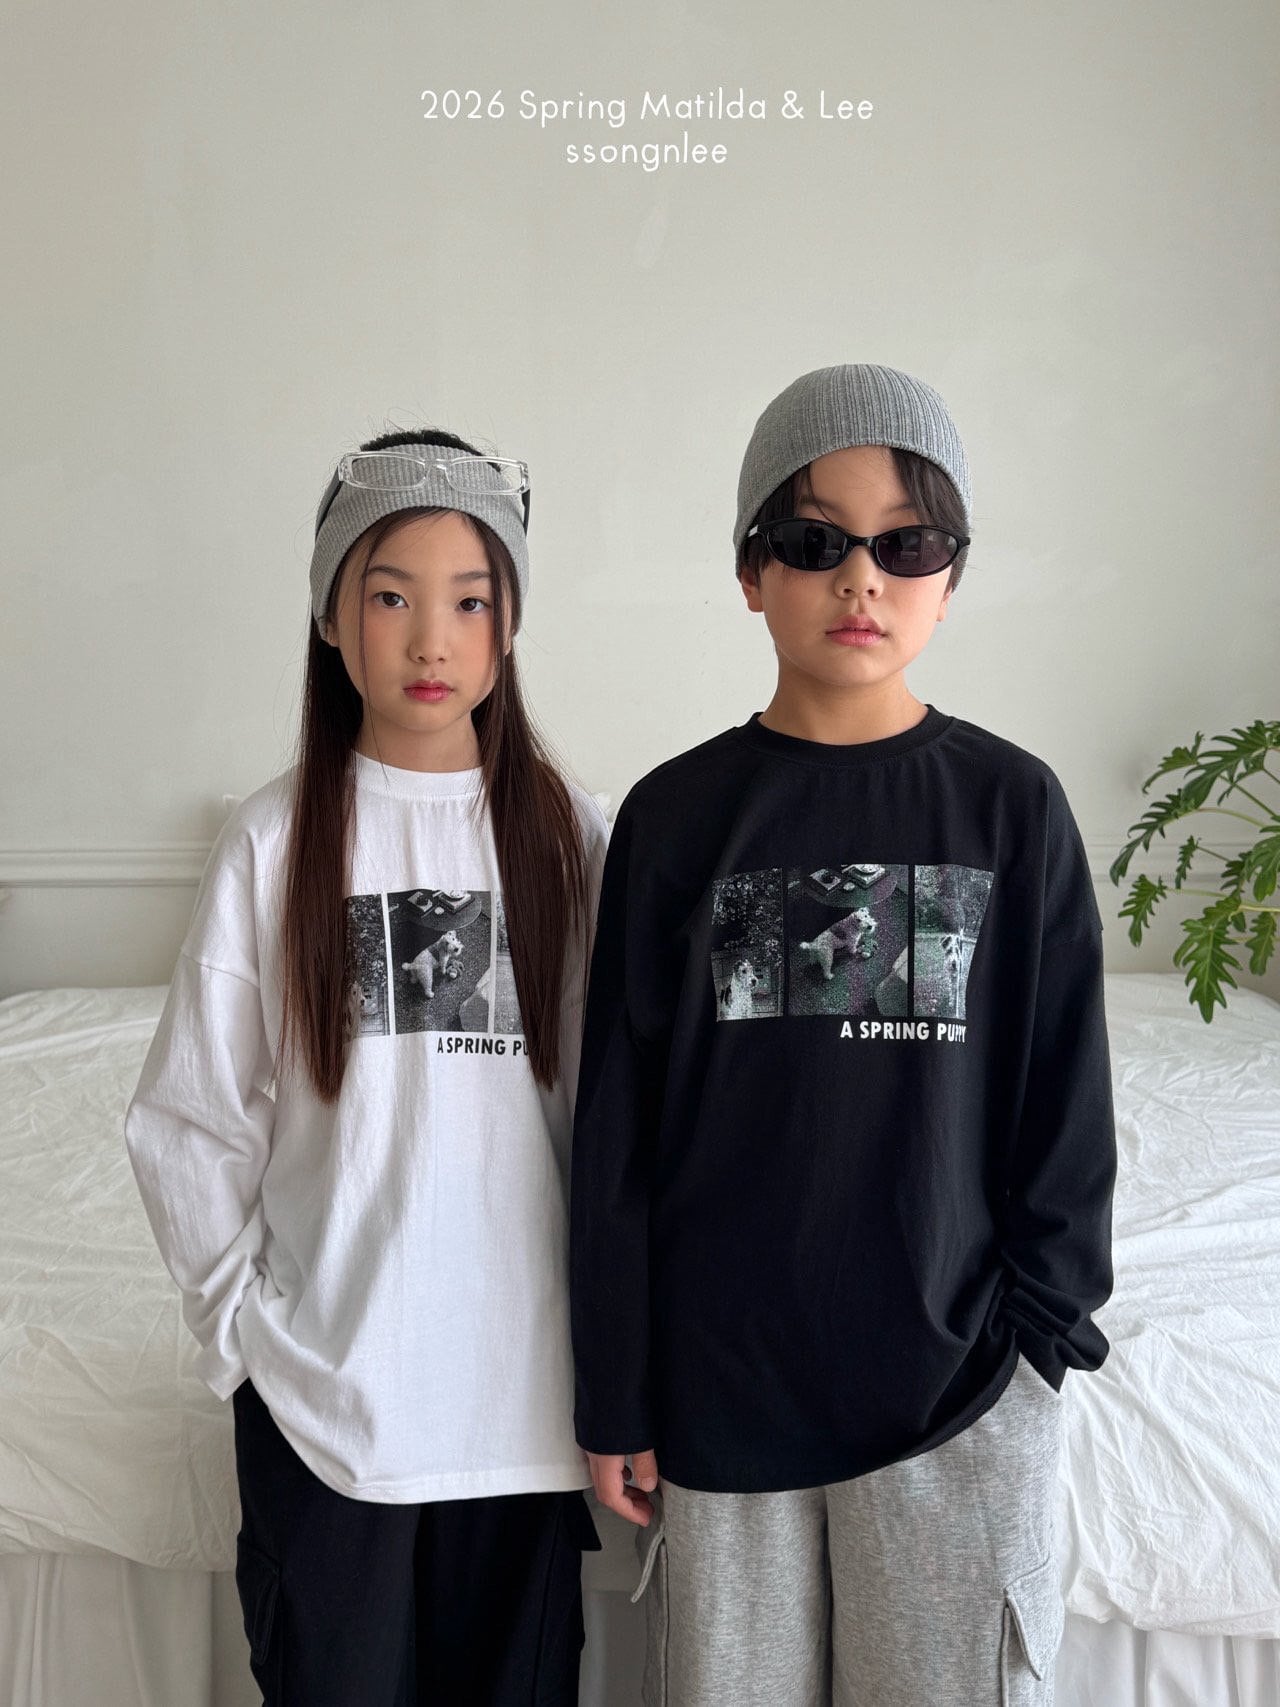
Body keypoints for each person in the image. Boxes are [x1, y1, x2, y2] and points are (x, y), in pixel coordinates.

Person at [569, 364, 1117, 1706]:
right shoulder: (674, 820)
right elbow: (618, 1130)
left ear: (949, 574)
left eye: (906, 543)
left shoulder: (1011, 808)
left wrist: (1036, 1345)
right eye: (816, 541)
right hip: (723, 1394)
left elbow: (1064, 1107)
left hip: (958, 1394)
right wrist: (615, 1389)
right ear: (750, 572)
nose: (861, 578)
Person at [125, 427, 608, 1706]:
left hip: (520, 1420)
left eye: (470, 602)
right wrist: (243, 1338)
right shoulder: (275, 840)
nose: (430, 640)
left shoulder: (569, 840)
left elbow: (609, 1124)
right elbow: (187, 1122)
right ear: (331, 618)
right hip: (326, 1419)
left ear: (509, 625)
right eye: (390, 597)